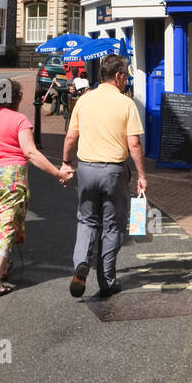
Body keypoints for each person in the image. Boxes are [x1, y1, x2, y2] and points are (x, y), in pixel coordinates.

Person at [0, 79, 72, 297]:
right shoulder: (19, 119)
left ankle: (3, 267)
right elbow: (31, 153)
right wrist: (58, 173)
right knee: (4, 226)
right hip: (10, 178)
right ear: (15, 99)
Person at [61, 54, 146, 298]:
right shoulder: (126, 103)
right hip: (114, 171)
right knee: (113, 225)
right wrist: (141, 174)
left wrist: (67, 163)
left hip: (86, 169)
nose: (127, 79)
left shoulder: (84, 100)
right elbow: (135, 145)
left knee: (87, 220)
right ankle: (107, 281)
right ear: (118, 76)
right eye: (126, 75)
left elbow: (70, 138)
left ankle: (80, 263)